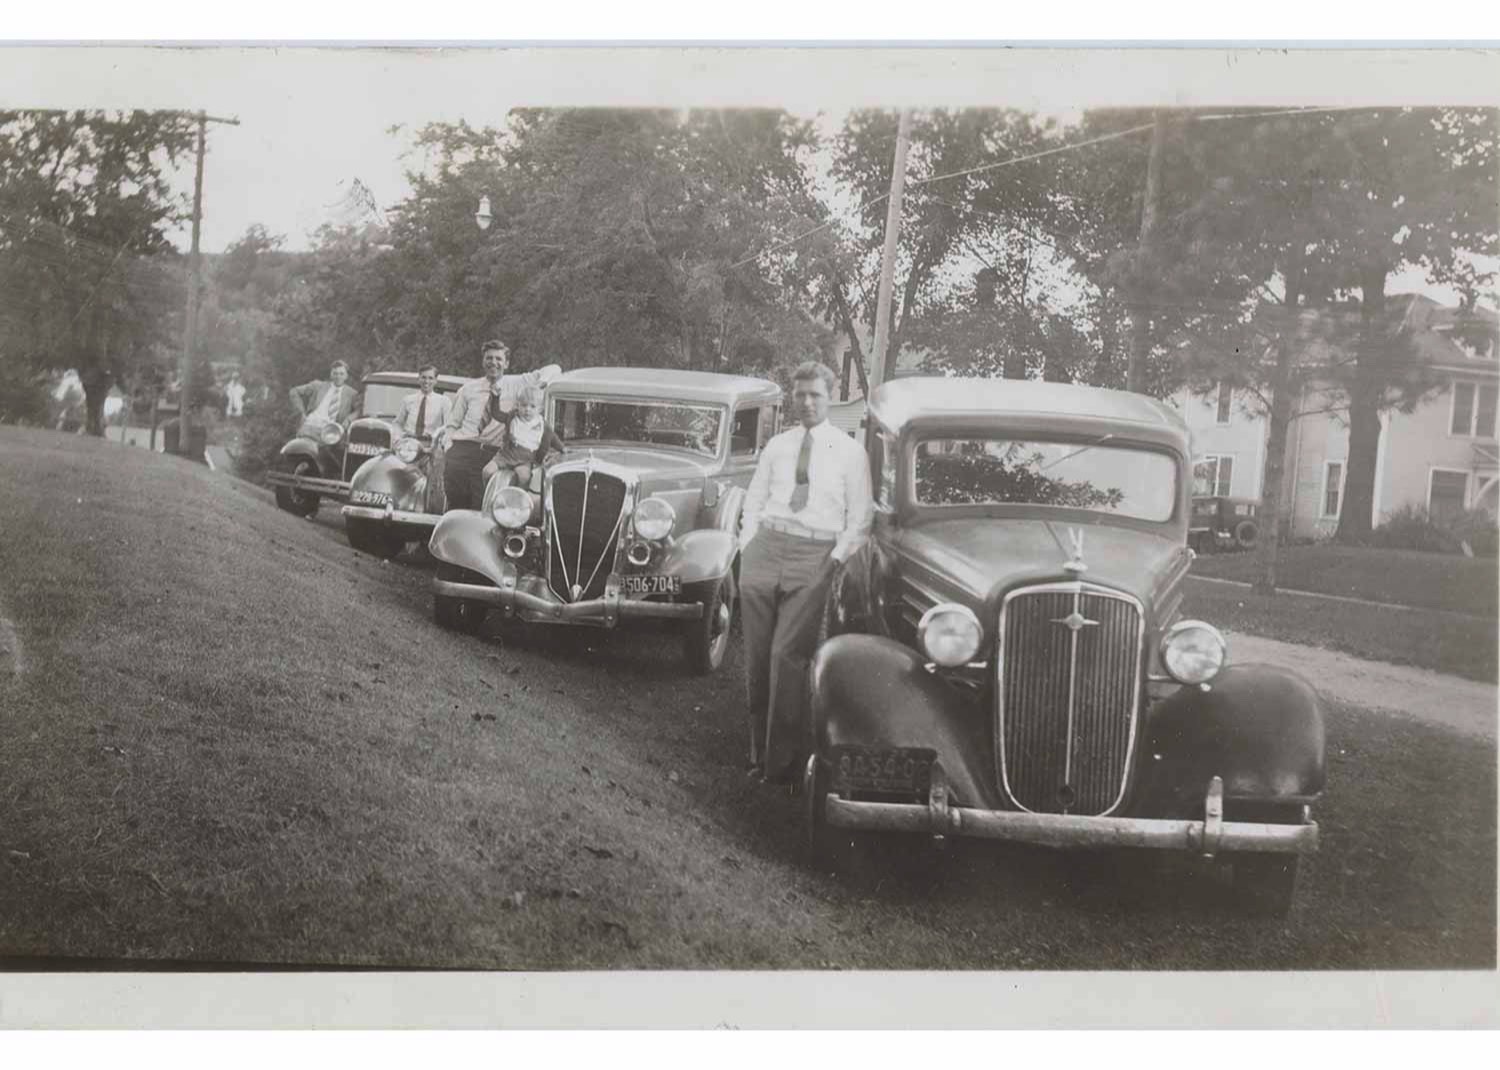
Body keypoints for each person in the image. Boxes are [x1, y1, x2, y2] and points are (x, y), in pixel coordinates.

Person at [738, 360, 873, 784]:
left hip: (815, 554)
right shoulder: (778, 445)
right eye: (801, 395)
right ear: (792, 397)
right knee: (758, 659)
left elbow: (861, 518)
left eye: (816, 395)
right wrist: (748, 545)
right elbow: (754, 499)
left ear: (830, 396)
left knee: (786, 656)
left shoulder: (851, 452)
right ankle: (758, 755)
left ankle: (781, 765)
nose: (808, 403)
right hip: (766, 548)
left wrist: (833, 561)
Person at [439, 340, 562, 511]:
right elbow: (452, 425)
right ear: (483, 362)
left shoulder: (519, 383)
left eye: (498, 359)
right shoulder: (467, 389)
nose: (493, 363)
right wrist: (448, 445)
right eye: (489, 358)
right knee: (453, 500)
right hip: (461, 449)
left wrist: (538, 385)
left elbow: (554, 368)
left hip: (489, 452)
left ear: (507, 363)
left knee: (479, 505)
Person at [480, 383, 565, 490]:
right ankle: (489, 493)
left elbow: (554, 439)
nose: (527, 410)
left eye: (532, 406)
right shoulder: (512, 418)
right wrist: (496, 397)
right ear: (518, 405)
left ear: (539, 409)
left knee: (524, 477)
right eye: (524, 405)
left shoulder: (542, 425)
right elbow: (496, 413)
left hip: (525, 459)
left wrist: (563, 449)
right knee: (487, 471)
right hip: (506, 456)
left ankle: (519, 499)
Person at [289, 361, 359, 427]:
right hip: (311, 424)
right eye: (335, 373)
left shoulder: (352, 394)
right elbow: (294, 391)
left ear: (346, 376)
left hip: (332, 431)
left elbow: (359, 409)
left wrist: (348, 420)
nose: (338, 377)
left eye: (341, 374)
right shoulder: (318, 386)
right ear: (331, 375)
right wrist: (301, 413)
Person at [397, 364, 451, 441]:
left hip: (431, 443)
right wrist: (399, 437)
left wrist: (436, 434)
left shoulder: (444, 401)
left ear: (436, 381)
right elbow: (398, 423)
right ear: (418, 379)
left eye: (430, 378)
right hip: (408, 442)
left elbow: (448, 426)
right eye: (423, 377)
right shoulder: (408, 400)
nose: (426, 381)